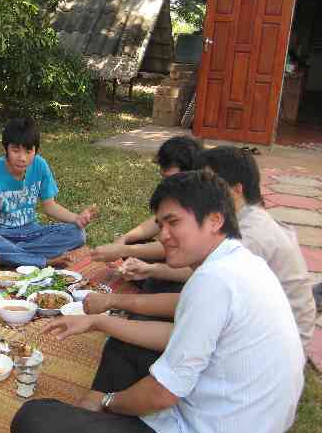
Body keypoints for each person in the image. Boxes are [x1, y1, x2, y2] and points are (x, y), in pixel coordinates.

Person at [11, 171, 304, 433]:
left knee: (34, 420)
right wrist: (97, 321)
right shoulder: (239, 263)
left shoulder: (215, 280)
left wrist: (109, 401)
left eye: (174, 222)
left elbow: (161, 394)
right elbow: (173, 337)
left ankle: (96, 414)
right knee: (125, 342)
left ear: (215, 220)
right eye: (161, 224)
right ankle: (93, 418)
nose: (163, 235)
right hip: (234, 430)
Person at [87, 146, 316, 349]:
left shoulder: (249, 237)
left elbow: (190, 299)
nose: (200, 190)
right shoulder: (239, 219)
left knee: (129, 345)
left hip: (273, 344)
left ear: (236, 190)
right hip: (252, 324)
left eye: (209, 183)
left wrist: (112, 305)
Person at [0, 118, 96, 281]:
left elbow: (50, 206)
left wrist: (77, 218)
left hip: (32, 232)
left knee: (78, 234)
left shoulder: (40, 165)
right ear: (6, 149)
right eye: (16, 150)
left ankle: (15, 255)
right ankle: (42, 261)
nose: (22, 158)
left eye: (28, 151)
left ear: (35, 151)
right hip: (2, 234)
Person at [90, 135, 203, 266]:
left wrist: (123, 250)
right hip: (177, 256)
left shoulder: (201, 198)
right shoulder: (179, 191)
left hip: (192, 265)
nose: (166, 182)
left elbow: (177, 244)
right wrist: (125, 238)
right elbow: (156, 221)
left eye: (169, 176)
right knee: (133, 250)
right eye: (163, 175)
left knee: (153, 281)